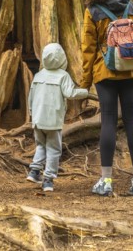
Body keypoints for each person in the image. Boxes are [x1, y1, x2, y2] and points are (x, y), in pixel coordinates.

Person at [79, 0, 133, 196]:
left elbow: (88, 47)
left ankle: (106, 181)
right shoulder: (131, 7)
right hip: (132, 70)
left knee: (108, 121)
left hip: (105, 72)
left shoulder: (93, 12)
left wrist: (85, 80)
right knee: (132, 120)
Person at [27, 42, 88, 192]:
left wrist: (31, 114)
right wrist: (85, 92)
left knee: (41, 145)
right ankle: (48, 179)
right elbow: (70, 94)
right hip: (53, 121)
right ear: (62, 58)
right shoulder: (63, 76)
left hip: (38, 119)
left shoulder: (39, 75)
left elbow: (31, 97)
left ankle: (34, 172)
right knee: (54, 149)